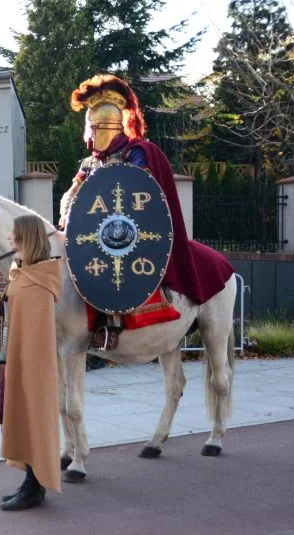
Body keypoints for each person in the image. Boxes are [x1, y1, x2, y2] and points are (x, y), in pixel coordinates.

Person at [60, 74, 235, 351]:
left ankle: (111, 325)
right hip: (95, 231)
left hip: (131, 231)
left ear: (101, 127)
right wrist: (67, 214)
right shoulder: (89, 163)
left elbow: (146, 196)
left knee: (113, 258)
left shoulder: (136, 153)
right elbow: (71, 194)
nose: (89, 137)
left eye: (92, 130)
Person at [0, 215, 63, 511]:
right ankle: (31, 484)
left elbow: (34, 330)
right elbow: (8, 312)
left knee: (32, 418)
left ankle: (35, 487)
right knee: (22, 419)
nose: (9, 238)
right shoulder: (22, 274)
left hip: (32, 365)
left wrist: (24, 364)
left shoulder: (39, 280)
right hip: (18, 360)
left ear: (26, 239)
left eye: (14, 234)